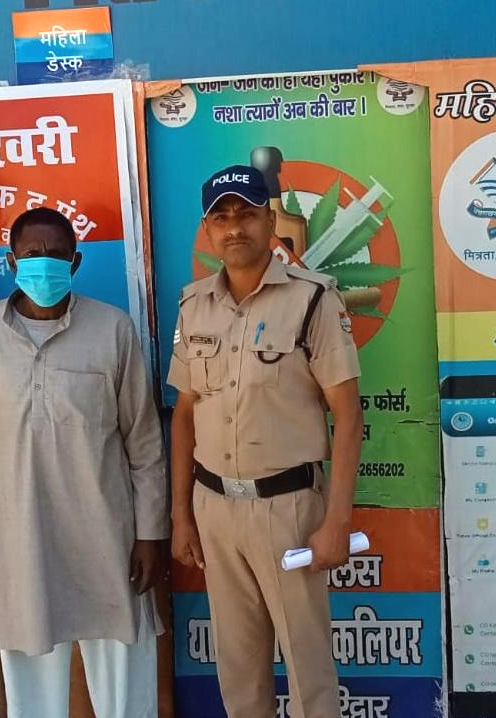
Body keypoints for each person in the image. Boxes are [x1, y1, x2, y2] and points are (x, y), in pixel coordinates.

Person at [169, 166, 364, 718]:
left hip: (288, 510)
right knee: (238, 666)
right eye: (221, 217)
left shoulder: (312, 299)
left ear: (269, 222)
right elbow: (184, 414)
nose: (235, 227)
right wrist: (182, 514)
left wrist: (337, 520)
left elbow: (348, 414)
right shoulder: (193, 305)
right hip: (214, 508)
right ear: (208, 230)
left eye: (247, 214)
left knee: (307, 667)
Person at [0, 207, 168, 718]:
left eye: (56, 254)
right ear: (12, 262)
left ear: (75, 262)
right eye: (32, 254)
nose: (44, 263)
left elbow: (143, 441)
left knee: (125, 687)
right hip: (21, 541)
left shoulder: (112, 329)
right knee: (32, 692)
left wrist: (150, 534)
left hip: (108, 539)